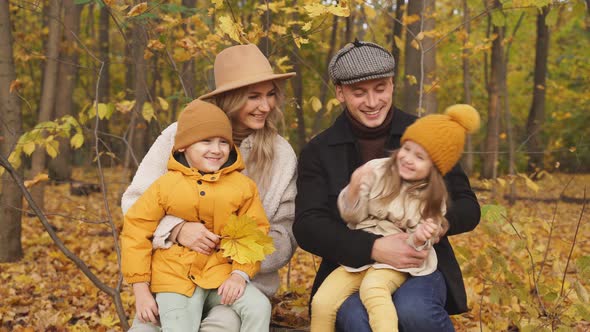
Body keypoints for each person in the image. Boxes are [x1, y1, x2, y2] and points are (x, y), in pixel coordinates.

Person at [293, 39, 481, 332]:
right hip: (350, 264)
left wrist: (441, 223)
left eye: (380, 89)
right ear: (340, 92)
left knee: (414, 311)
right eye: (359, 92)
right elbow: (308, 225)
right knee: (356, 317)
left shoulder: (426, 136)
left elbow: (468, 205)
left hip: (418, 263)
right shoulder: (319, 150)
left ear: (392, 84)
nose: (372, 102)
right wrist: (374, 247)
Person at [121, 44, 298, 331]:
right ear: (229, 98)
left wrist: (233, 257)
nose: (265, 106)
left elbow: (284, 235)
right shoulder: (180, 136)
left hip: (239, 284)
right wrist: (177, 230)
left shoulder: (281, 154)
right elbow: (135, 205)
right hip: (173, 276)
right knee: (145, 328)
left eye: (270, 95)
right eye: (253, 96)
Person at [122, 100, 272, 331]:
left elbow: (255, 233)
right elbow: (135, 231)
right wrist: (140, 290)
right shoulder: (165, 186)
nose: (216, 149)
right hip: (175, 278)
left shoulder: (243, 187)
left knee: (258, 306)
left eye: (223, 142)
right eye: (206, 141)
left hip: (221, 275)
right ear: (183, 146)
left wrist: (240, 275)